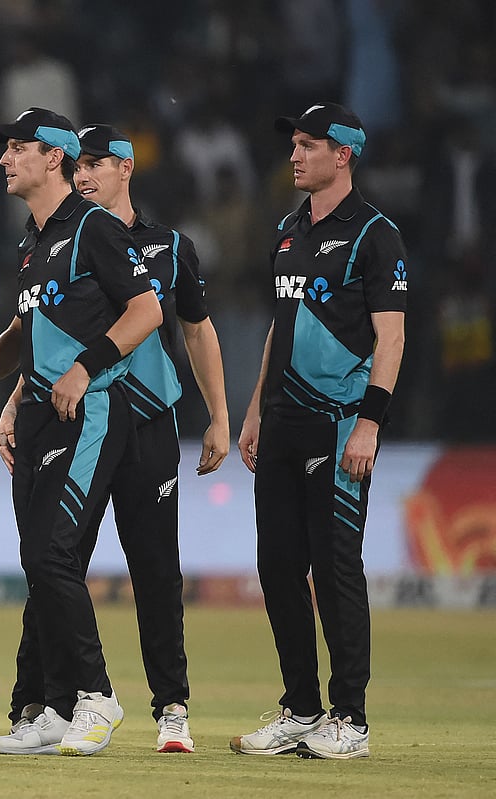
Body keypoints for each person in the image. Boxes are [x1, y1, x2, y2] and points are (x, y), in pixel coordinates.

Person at [0, 124, 230, 755]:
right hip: (80, 414)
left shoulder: (167, 247)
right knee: (49, 559)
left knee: (152, 569)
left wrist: (220, 415)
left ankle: (170, 710)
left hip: (145, 419)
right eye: (82, 163)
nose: (86, 174)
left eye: (97, 163)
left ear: (125, 168)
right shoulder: (57, 240)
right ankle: (45, 704)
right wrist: (14, 399)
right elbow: (44, 327)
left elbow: (196, 332)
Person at [0, 107, 162, 756]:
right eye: (5, 148)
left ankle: (98, 696)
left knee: (51, 556)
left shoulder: (94, 228)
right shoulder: (32, 242)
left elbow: (146, 309)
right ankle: (58, 708)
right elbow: (29, 329)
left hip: (89, 411)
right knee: (38, 563)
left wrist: (84, 368)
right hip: (38, 414)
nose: (5, 158)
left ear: (55, 157)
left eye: (19, 148)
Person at [232, 103, 407, 760]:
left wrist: (369, 422)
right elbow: (282, 328)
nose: (294, 155)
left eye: (308, 145)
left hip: (339, 425)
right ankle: (302, 708)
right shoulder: (286, 233)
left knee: (335, 569)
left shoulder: (375, 235)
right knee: (277, 566)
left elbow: (392, 340)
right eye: (293, 144)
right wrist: (254, 408)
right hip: (282, 421)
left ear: (344, 155)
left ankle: (351, 718)